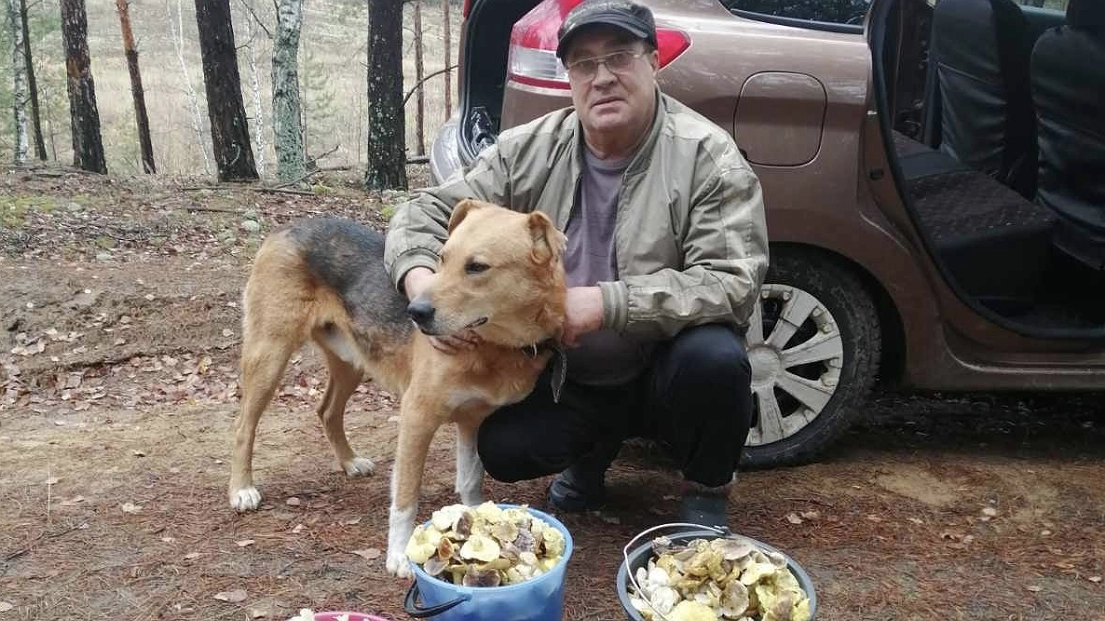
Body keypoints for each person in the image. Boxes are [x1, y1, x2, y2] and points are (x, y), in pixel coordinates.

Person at [383, 0, 769, 528]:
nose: (602, 77)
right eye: (584, 64)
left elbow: (733, 283)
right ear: (569, 76)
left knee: (715, 360)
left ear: (654, 61)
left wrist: (609, 303)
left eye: (620, 56)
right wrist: (424, 281)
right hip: (567, 373)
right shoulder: (529, 149)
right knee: (505, 447)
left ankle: (705, 488)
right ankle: (589, 457)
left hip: (661, 363)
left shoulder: (708, 156)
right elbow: (424, 209)